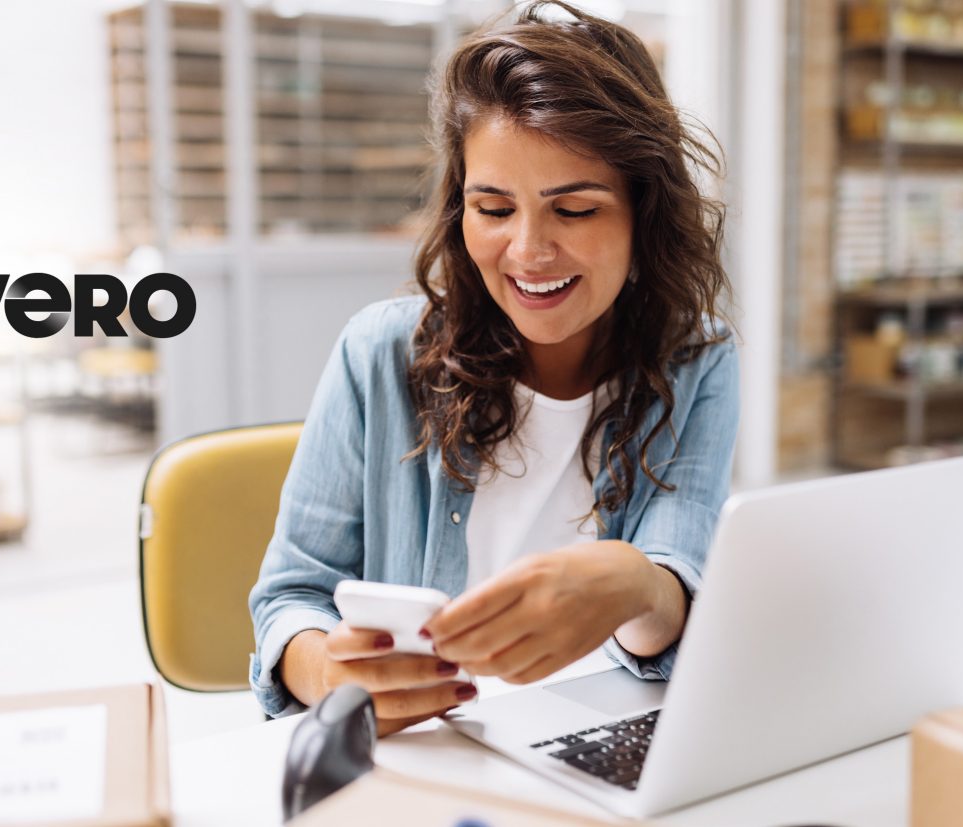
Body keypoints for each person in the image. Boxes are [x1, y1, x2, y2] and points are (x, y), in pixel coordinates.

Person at [247, 1, 738, 736]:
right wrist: (328, 672)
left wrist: (640, 585)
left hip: (596, 744)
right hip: (422, 752)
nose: (529, 251)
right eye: (494, 207)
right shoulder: (378, 354)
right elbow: (291, 596)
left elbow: (672, 587)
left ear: (645, 212)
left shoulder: (697, 358)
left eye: (574, 210)